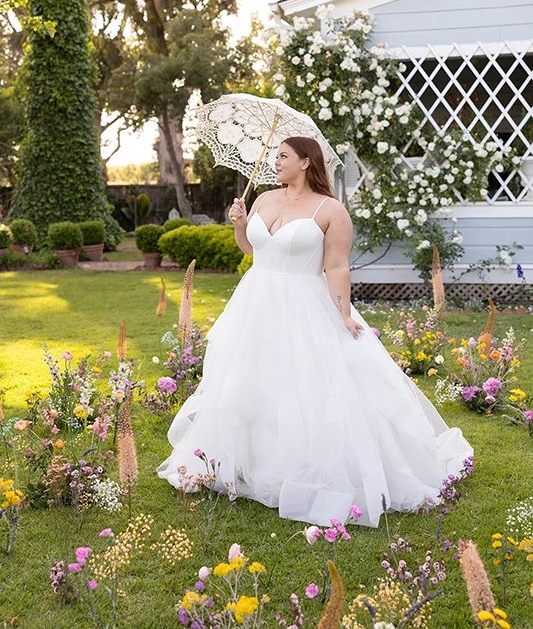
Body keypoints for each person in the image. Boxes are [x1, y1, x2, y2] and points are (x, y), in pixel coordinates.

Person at [157, 136, 473, 527]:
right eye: (274, 156)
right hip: (255, 302)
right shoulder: (264, 200)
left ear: (306, 162)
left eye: (283, 156)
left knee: (304, 384)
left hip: (303, 304)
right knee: (249, 380)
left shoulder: (331, 209)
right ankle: (248, 462)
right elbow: (251, 252)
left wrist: (343, 314)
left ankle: (301, 468)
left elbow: (337, 267)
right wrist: (240, 224)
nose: (275, 162)